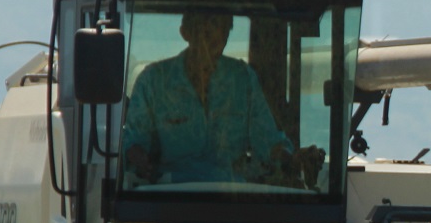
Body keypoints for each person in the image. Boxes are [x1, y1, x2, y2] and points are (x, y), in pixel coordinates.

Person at [122, 12, 319, 187]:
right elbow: (132, 143)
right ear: (186, 33)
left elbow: (267, 141)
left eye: (222, 31)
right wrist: (141, 162)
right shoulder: (155, 81)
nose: (213, 42)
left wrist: (294, 160)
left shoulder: (242, 79)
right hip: (170, 195)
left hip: (233, 197)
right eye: (206, 33)